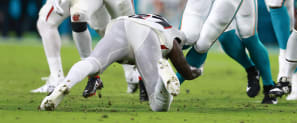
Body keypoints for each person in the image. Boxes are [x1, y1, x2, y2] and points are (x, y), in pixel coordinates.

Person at [40, 14, 202, 112]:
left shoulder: (150, 17)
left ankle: (65, 83)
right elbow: (180, 59)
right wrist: (192, 72)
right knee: (158, 105)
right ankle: (164, 76)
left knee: (93, 62)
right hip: (147, 35)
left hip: (121, 25)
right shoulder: (175, 33)